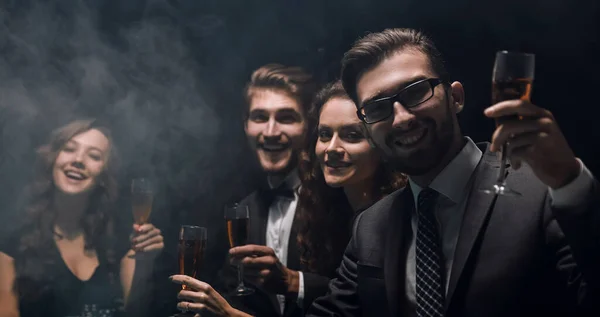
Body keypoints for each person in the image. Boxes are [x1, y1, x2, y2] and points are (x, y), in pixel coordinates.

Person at [306, 28, 600, 317]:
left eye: (416, 91)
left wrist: (570, 183)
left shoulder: (542, 193)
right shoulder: (371, 225)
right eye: (377, 107)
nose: (402, 118)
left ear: (455, 97)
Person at [170, 64, 323, 317]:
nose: (271, 132)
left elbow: (364, 294)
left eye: (286, 118)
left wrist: (295, 282)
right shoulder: (244, 211)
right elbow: (235, 296)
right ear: (246, 126)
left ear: (308, 125)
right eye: (260, 118)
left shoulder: (336, 198)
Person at [0, 119, 165, 317]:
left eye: (94, 156)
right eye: (69, 149)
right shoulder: (12, 242)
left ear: (104, 175)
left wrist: (144, 263)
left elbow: (135, 314)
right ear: (53, 160)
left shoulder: (119, 243)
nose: (78, 160)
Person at [295, 80, 406, 279]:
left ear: (381, 145)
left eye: (352, 135)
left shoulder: (399, 218)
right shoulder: (324, 209)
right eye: (325, 134)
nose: (332, 148)